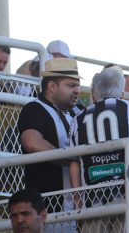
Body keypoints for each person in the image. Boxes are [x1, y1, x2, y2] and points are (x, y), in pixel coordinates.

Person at [68, 68, 129, 233]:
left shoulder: (77, 119)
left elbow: (74, 165)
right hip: (128, 196)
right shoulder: (128, 107)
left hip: (92, 202)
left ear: (94, 93)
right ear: (122, 93)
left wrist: (78, 207)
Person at [16, 58, 81, 210]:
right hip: (48, 208)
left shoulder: (79, 111)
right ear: (52, 86)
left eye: (77, 85)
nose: (77, 90)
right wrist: (71, 158)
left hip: (79, 208)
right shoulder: (34, 109)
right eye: (71, 85)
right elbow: (32, 142)